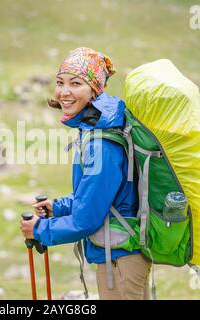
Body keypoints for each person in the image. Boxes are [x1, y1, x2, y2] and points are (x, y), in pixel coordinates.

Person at [20, 47, 151, 300]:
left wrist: (39, 231)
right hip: (123, 255)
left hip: (121, 261)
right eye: (60, 82)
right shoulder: (99, 129)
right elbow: (99, 197)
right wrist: (58, 208)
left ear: (94, 91)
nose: (64, 92)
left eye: (76, 83)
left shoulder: (101, 143)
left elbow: (86, 220)